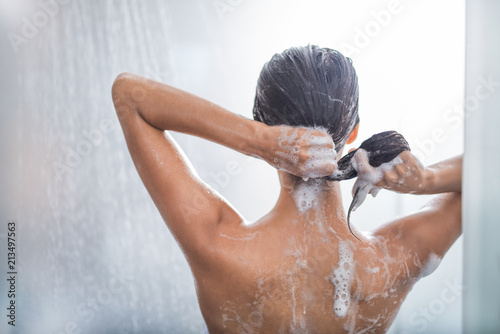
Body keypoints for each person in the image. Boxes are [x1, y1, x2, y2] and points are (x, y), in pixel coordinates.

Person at [111, 45, 462, 333]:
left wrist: (257, 139)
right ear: (353, 132)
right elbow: (491, 170)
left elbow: (129, 96)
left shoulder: (218, 246)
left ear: (262, 126)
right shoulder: (394, 260)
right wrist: (426, 180)